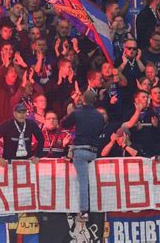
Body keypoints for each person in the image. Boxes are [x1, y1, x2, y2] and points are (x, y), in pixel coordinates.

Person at [61, 90, 105, 222]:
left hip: (80, 151)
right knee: (93, 180)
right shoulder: (99, 115)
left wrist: (70, 112)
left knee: (83, 181)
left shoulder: (77, 112)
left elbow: (64, 123)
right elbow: (100, 130)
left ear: (83, 100)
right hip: (94, 152)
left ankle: (84, 211)